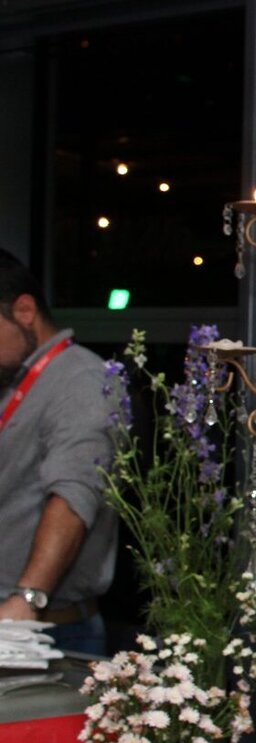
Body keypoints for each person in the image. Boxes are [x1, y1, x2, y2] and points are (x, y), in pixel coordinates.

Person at [0, 248, 117, 655]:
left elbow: (73, 492)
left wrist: (28, 599)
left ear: (25, 311)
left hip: (43, 633)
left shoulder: (81, 378)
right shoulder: (12, 380)